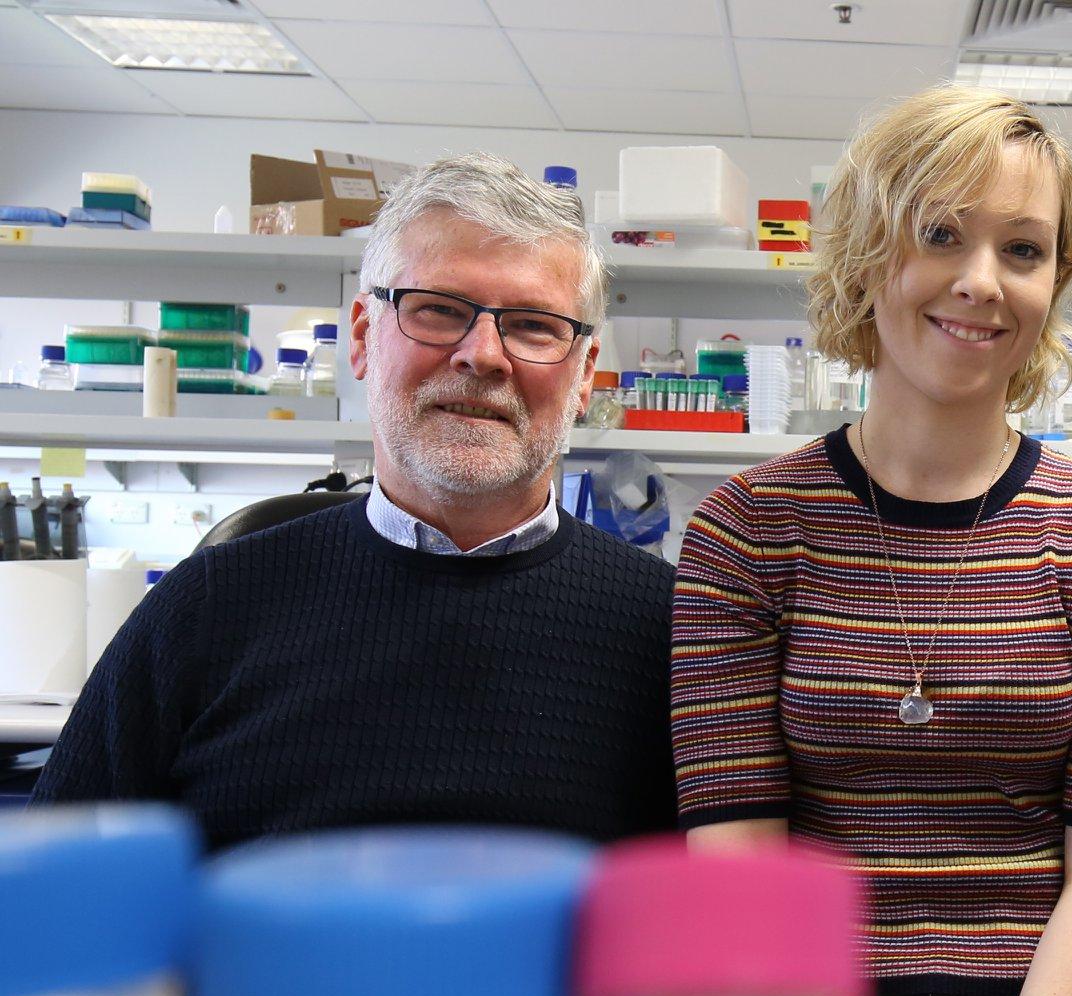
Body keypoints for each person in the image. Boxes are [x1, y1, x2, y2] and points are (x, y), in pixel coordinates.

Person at [670, 86, 1072, 996]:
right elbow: (739, 854)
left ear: (1054, 282)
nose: (983, 280)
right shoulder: (746, 532)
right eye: (941, 233)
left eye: (1023, 250)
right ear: (870, 257)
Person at [33, 151, 678, 851]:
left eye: (532, 325)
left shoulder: (674, 630)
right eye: (439, 310)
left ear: (585, 375)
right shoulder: (208, 607)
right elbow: (52, 895)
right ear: (364, 338)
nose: (483, 355)